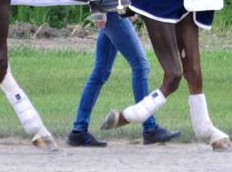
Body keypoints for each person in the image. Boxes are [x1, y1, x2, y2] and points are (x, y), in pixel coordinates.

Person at [68, 12, 182, 146]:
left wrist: (104, 12)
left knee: (100, 72)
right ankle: (150, 128)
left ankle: (79, 130)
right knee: (140, 66)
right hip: (113, 11)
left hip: (108, 10)